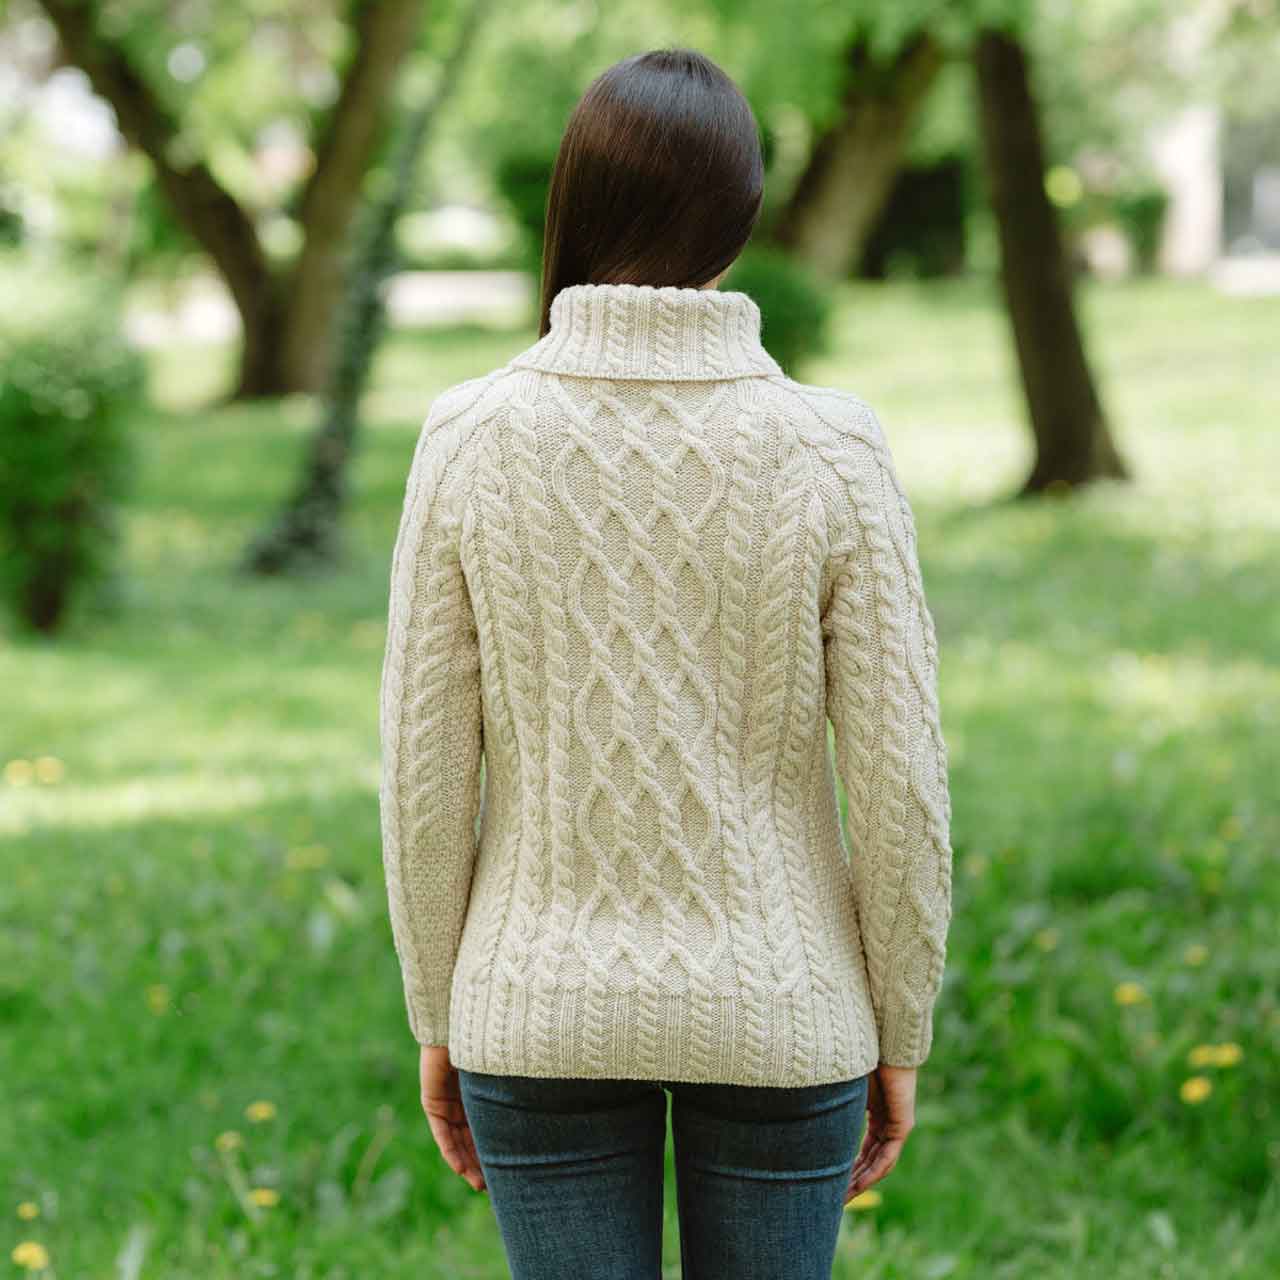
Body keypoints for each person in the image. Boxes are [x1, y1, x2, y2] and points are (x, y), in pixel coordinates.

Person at [378, 45, 954, 1280]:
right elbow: (901, 777)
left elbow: (423, 774)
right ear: (740, 213)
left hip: (533, 1009)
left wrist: (439, 1009)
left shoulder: (470, 435)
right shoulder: (831, 449)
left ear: (573, 201)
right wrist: (898, 1022)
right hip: (784, 1010)